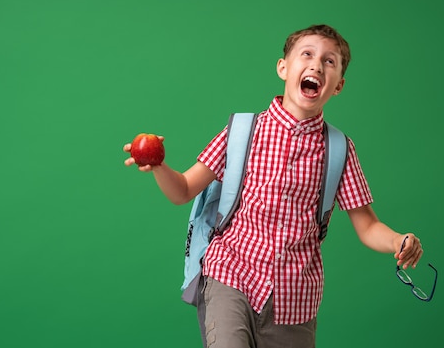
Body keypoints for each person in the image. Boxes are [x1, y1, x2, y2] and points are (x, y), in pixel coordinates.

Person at [123, 24, 424, 348]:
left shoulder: (339, 150)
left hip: (295, 302)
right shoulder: (241, 131)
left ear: (338, 86)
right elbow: (182, 190)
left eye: (329, 61)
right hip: (229, 277)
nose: (316, 65)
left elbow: (368, 226)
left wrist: (397, 240)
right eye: (306, 54)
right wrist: (158, 166)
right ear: (283, 67)